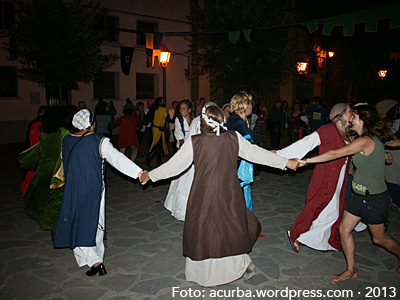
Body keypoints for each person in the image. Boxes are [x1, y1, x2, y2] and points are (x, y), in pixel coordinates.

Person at [139, 105, 299, 287]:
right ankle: (240, 265)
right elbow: (257, 154)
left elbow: (173, 166)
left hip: (204, 194)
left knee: (206, 231)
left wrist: (149, 175)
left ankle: (210, 275)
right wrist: (285, 162)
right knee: (231, 227)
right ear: (223, 120)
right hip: (228, 192)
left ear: (203, 122)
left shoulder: (195, 142)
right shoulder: (233, 138)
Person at [297, 104, 400, 281]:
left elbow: (334, 154)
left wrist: (305, 162)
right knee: (344, 229)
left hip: (374, 198)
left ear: (362, 121)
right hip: (359, 196)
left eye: (354, 116)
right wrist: (384, 156)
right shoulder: (361, 139)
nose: (351, 118)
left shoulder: (364, 140)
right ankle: (351, 269)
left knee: (379, 239)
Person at [54, 109, 143, 277]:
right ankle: (96, 261)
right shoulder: (99, 141)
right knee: (94, 223)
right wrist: (139, 173)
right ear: (92, 124)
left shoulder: (66, 141)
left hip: (73, 189)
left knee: (77, 221)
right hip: (92, 188)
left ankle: (92, 260)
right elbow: (117, 159)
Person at [277, 103, 354, 252]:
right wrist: (281, 156)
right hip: (326, 176)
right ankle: (296, 234)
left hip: (339, 178)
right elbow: (307, 142)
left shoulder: (347, 134)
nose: (352, 114)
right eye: (350, 111)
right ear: (341, 114)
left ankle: (314, 239)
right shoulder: (329, 130)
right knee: (317, 205)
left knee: (332, 212)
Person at [19, 107, 71, 239]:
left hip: (43, 172)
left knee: (46, 199)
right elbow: (65, 153)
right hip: (57, 172)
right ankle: (55, 230)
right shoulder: (64, 132)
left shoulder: (45, 133)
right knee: (57, 202)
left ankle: (50, 225)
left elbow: (38, 151)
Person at [164, 100, 196, 221]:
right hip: (183, 150)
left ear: (189, 110)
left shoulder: (195, 120)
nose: (182, 110)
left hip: (194, 149)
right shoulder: (179, 120)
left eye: (184, 108)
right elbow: (179, 135)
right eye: (180, 108)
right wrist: (186, 147)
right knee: (182, 177)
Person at [227, 91, 255, 211]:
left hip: (240, 163)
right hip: (239, 165)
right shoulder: (238, 123)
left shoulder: (239, 120)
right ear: (244, 105)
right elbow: (248, 146)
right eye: (250, 103)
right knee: (241, 195)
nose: (252, 106)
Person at [21, 106, 47, 197]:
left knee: (31, 174)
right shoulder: (39, 125)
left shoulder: (34, 123)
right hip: (36, 153)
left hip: (33, 152)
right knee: (32, 175)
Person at [144, 97, 169, 168]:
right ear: (160, 102)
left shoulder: (155, 109)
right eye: (164, 101)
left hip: (157, 130)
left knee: (159, 147)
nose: (165, 103)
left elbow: (147, 119)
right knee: (155, 146)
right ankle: (148, 160)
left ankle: (159, 161)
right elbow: (147, 119)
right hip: (156, 131)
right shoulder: (157, 110)